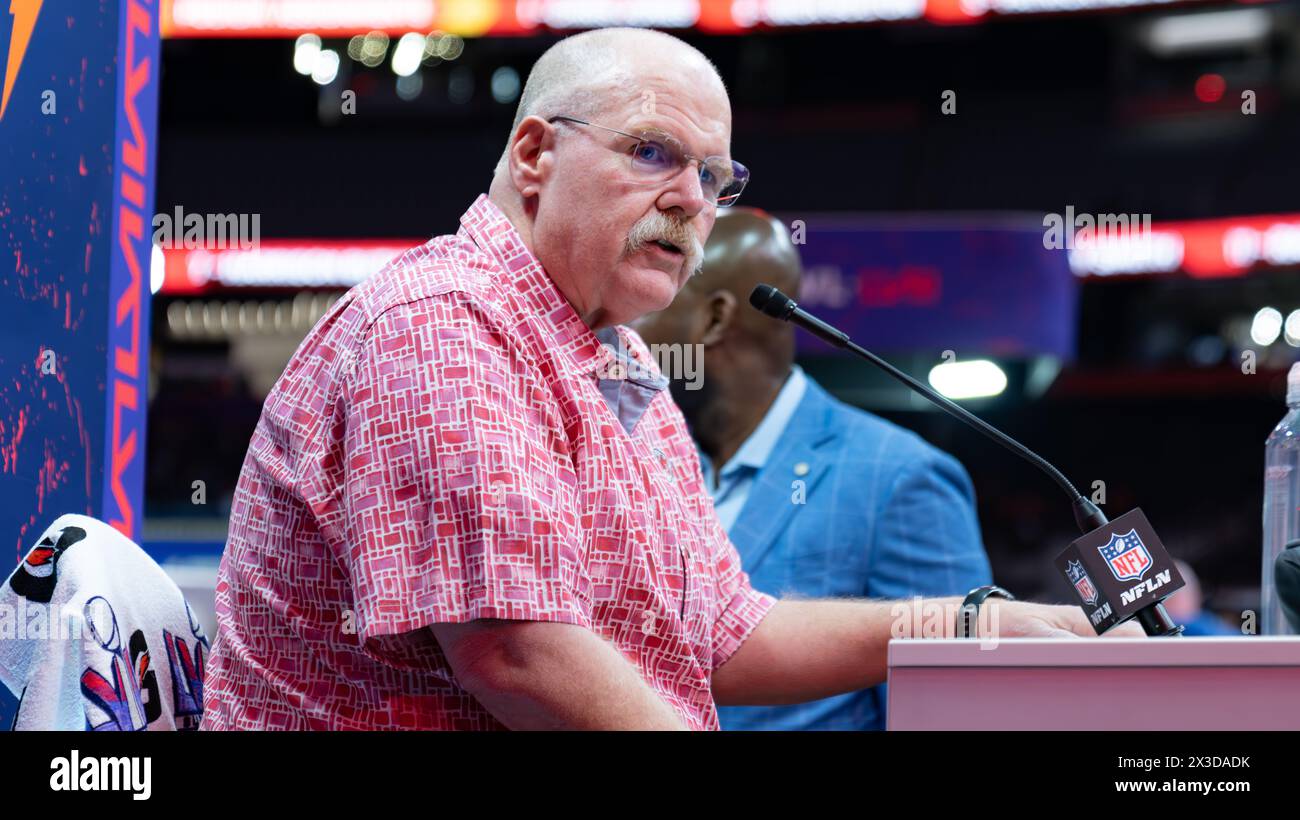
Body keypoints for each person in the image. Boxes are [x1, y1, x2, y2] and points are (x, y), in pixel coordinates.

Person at [201, 27, 1135, 731]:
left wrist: (972, 626)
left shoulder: (617, 354)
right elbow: (517, 655)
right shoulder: (445, 326)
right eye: (653, 152)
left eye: (714, 177)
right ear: (535, 156)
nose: (692, 198)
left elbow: (725, 634)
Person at [634, 208, 992, 730]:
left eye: (647, 302)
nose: (615, 328)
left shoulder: (898, 478)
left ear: (712, 319)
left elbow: (953, 715)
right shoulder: (640, 462)